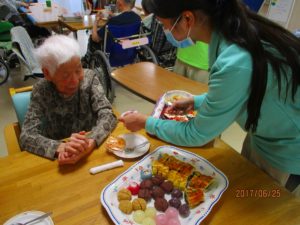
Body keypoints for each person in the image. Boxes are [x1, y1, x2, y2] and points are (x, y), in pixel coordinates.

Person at [120, 0, 300, 196]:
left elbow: (196, 133)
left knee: (265, 204)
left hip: (285, 149)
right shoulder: (236, 32)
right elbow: (241, 92)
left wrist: (146, 122)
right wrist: (196, 101)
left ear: (187, 18)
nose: (165, 32)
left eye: (165, 26)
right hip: (264, 132)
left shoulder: (235, 61)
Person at [20, 35, 117, 165]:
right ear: (47, 73)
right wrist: (60, 147)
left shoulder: (90, 78)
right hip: (59, 158)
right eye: (65, 75)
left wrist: (91, 141)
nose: (75, 81)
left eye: (78, 69)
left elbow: (108, 115)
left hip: (91, 152)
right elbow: (27, 135)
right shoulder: (41, 90)